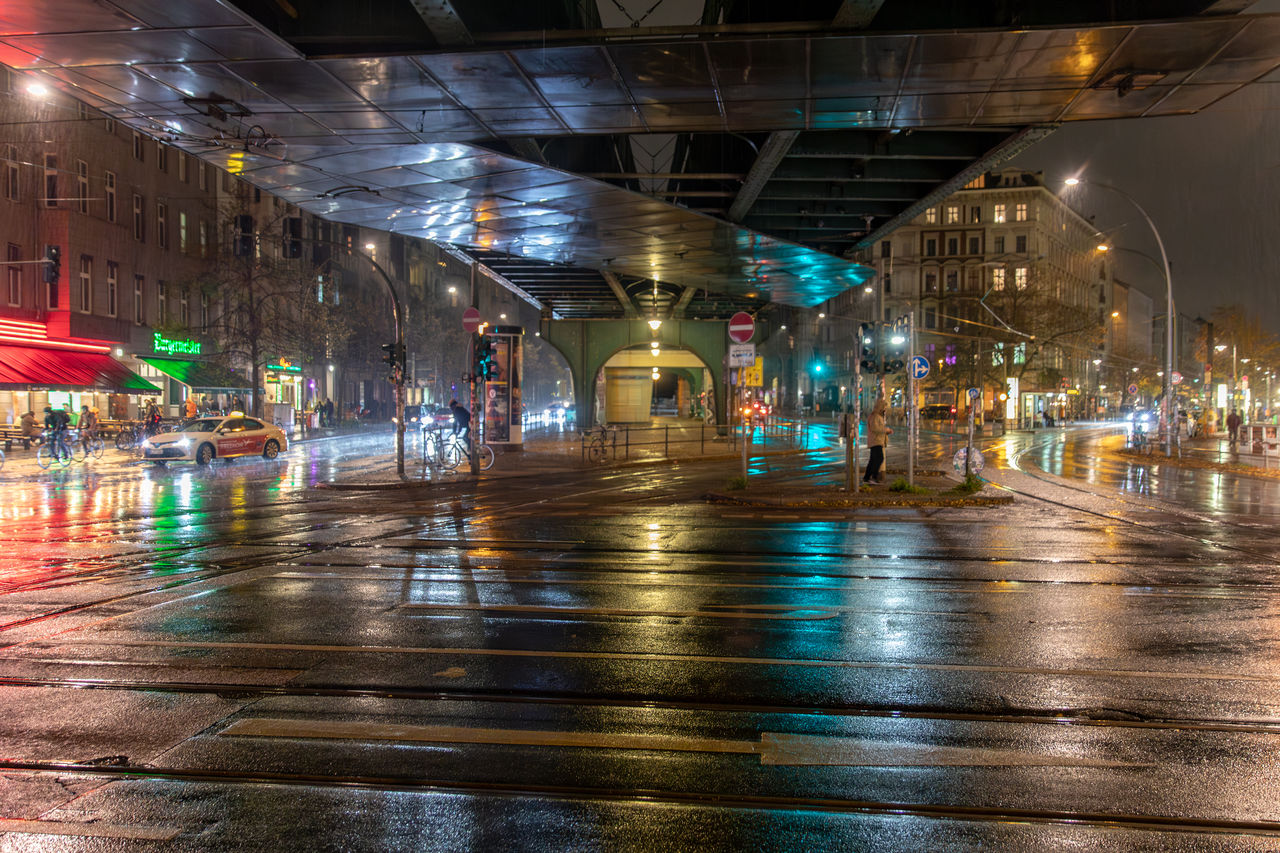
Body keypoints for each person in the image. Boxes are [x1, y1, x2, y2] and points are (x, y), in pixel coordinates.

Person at [862, 397, 891, 485]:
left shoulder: (877, 416)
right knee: (879, 458)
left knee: (873, 460)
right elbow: (875, 428)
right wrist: (886, 430)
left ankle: (867, 477)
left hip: (877, 440)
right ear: (880, 407)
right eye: (884, 407)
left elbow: (878, 428)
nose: (885, 409)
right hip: (875, 440)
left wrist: (886, 431)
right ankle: (873, 477)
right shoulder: (875, 416)